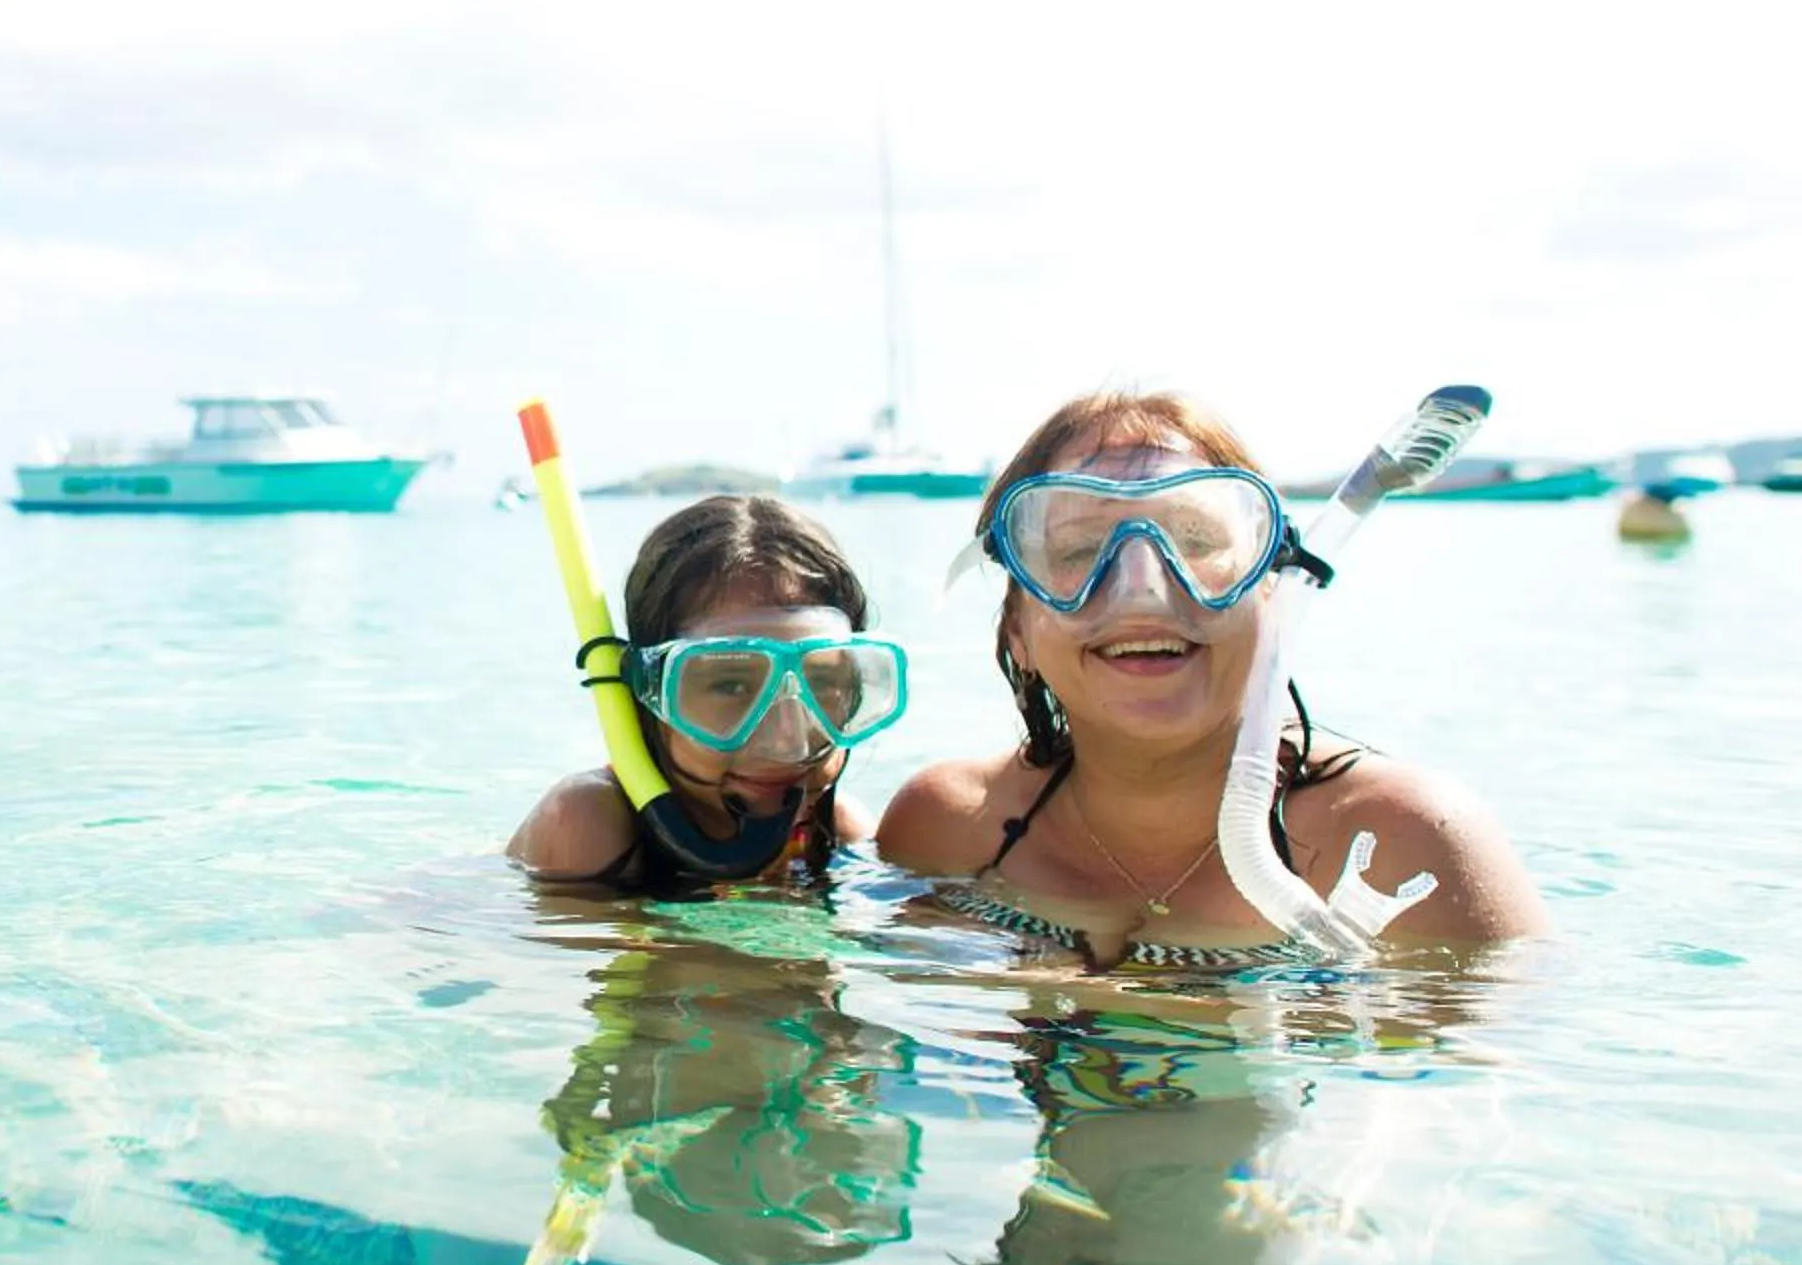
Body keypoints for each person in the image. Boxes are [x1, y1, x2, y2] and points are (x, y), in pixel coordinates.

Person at [879, 390, 1545, 969]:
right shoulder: (949, 827)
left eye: (1195, 541)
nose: (1142, 589)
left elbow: (1494, 1062)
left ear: (1273, 600)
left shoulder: (1400, 843)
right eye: (1080, 550)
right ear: (1017, 632)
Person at [507, 495, 905, 892]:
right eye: (731, 685)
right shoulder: (586, 821)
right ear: (647, 693)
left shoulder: (840, 833)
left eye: (821, 683)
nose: (787, 740)